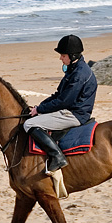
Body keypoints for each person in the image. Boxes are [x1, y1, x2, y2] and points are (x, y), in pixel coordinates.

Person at [24, 34, 97, 173]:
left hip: (74, 114)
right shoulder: (73, 70)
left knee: (29, 124)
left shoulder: (79, 74)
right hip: (70, 109)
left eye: (63, 55)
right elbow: (58, 95)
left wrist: (40, 110)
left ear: (72, 56)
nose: (60, 58)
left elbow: (64, 101)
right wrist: (39, 107)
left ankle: (57, 156)